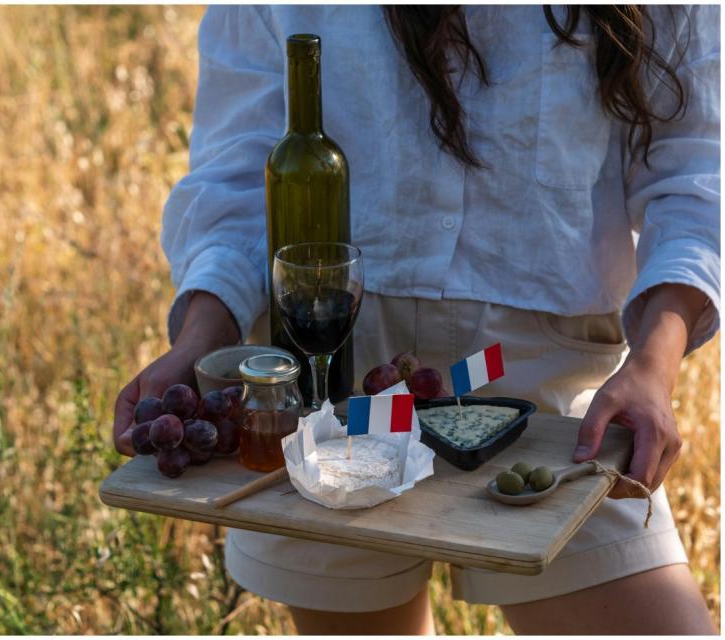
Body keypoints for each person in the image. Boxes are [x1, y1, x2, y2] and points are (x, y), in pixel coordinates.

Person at [113, 5, 719, 635]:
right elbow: (240, 176)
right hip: (336, 386)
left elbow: (696, 174)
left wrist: (653, 364)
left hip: (546, 390)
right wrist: (202, 338)